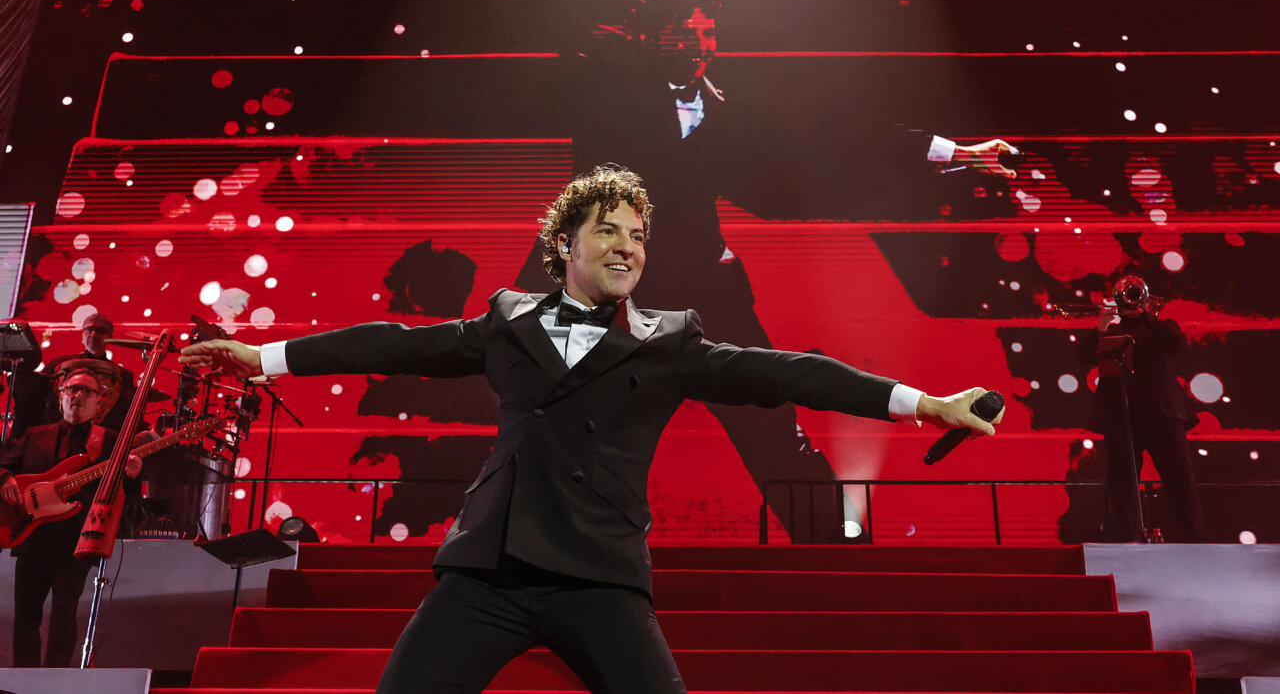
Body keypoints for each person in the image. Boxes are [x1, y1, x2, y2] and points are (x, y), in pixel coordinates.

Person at [180, 166, 1005, 693]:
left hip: (602, 579)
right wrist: (265, 357)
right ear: (563, 244)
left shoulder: (672, 338)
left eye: (639, 234)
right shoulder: (506, 321)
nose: (628, 245)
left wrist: (923, 402)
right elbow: (396, 341)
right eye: (608, 228)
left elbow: (790, 371)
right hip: (487, 574)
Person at [517, 0, 1016, 541]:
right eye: (685, 33)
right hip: (611, 294)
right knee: (558, 425)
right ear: (650, 37)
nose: (701, 45)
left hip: (707, 293)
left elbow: (831, 138)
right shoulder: (609, 90)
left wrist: (952, 153)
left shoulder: (724, 108)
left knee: (771, 423)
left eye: (709, 34)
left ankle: (839, 549)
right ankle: (529, 549)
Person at [0, 368, 145, 667]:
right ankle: (24, 683)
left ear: (98, 402)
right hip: (31, 536)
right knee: (25, 616)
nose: (78, 395)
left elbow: (121, 498)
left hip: (75, 542)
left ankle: (56, 681)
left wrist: (132, 478)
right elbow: (4, 465)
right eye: (72, 389)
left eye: (87, 391)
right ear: (61, 396)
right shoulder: (34, 435)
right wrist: (6, 480)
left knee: (64, 614)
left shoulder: (110, 442)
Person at [1092, 275, 1203, 542]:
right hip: (1123, 414)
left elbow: (1176, 344)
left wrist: (1147, 316)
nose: (1131, 300)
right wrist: (1102, 326)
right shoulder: (1113, 328)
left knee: (1180, 478)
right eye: (1127, 295)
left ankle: (1194, 538)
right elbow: (1086, 354)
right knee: (1121, 481)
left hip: (1163, 413)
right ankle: (1124, 537)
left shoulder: (1162, 326)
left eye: (1135, 294)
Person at [13, 312, 137, 439]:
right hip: (58, 433)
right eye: (89, 330)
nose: (93, 334)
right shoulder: (59, 364)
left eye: (100, 331)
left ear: (110, 337)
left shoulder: (123, 375)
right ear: (82, 335)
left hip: (104, 437)